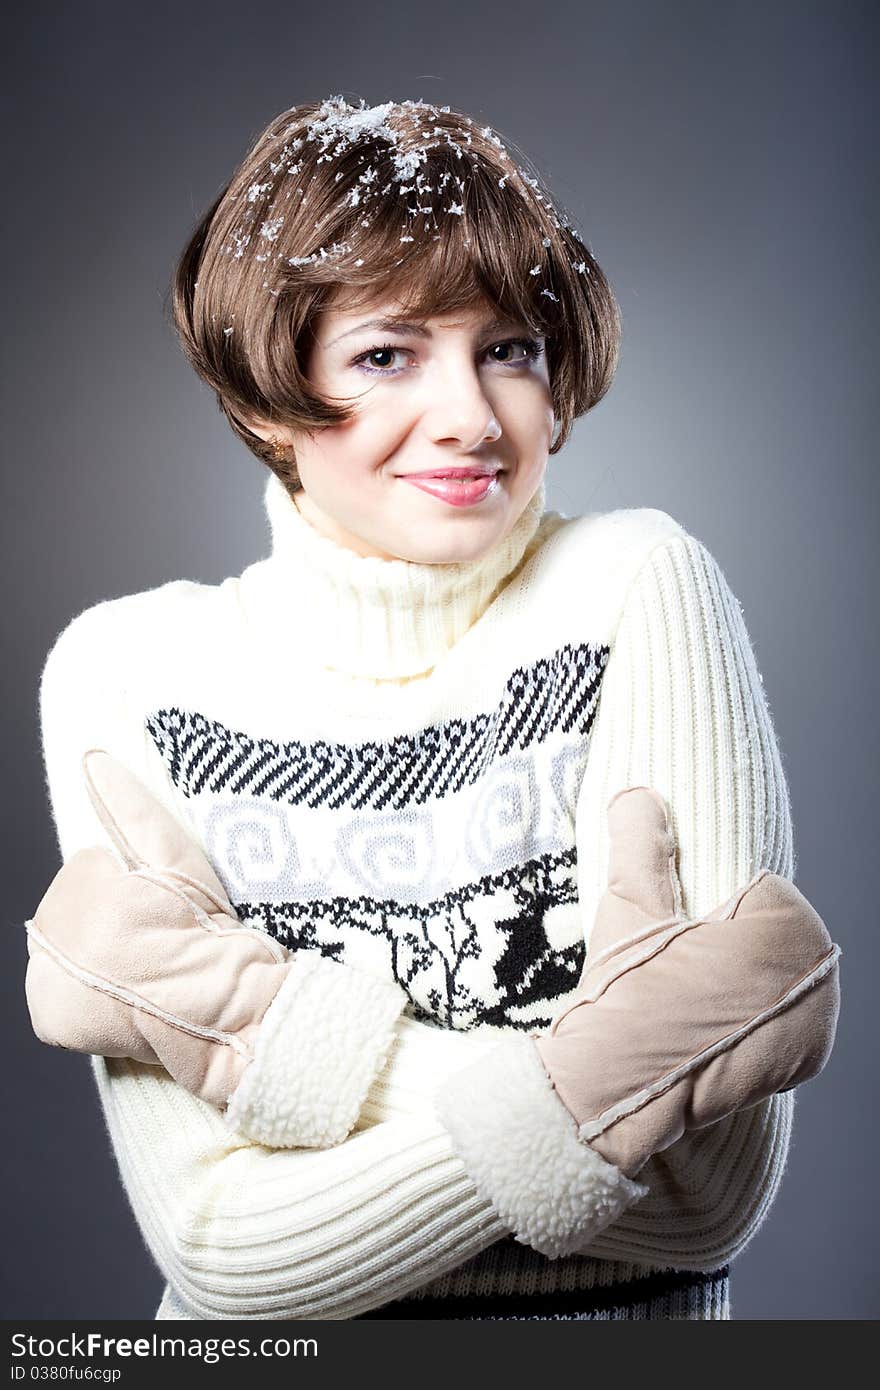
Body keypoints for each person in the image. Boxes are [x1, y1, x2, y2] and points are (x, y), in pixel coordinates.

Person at [26, 95, 840, 1321]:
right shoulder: (128, 669)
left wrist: (269, 1032)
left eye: (508, 347)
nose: (469, 415)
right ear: (263, 395)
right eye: (385, 354)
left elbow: (703, 1195)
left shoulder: (636, 587)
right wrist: (609, 1084)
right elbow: (221, 1249)